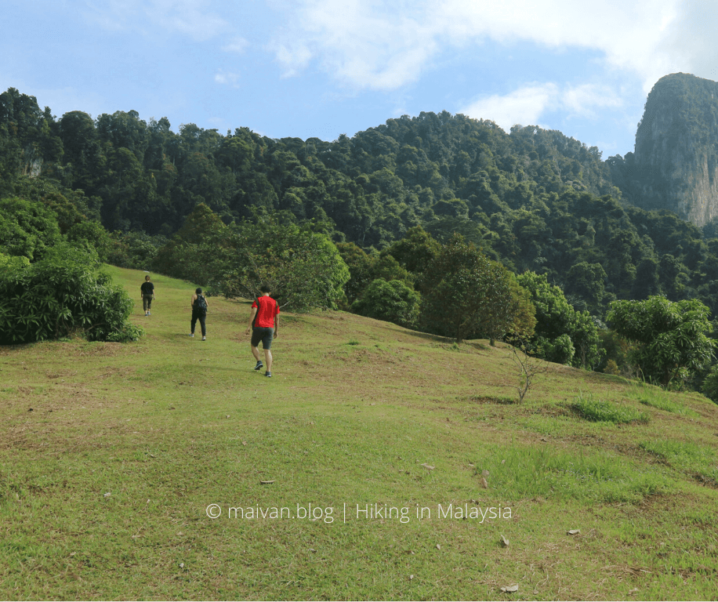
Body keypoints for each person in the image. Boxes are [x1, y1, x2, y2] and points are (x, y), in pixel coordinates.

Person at [246, 284, 280, 377]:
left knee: (253, 345)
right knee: (267, 350)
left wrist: (248, 326)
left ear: (261, 292)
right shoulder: (275, 302)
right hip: (270, 328)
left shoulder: (258, 300)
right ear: (270, 293)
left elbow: (253, 312)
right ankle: (268, 371)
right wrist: (276, 331)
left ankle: (259, 361)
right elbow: (277, 318)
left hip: (258, 326)